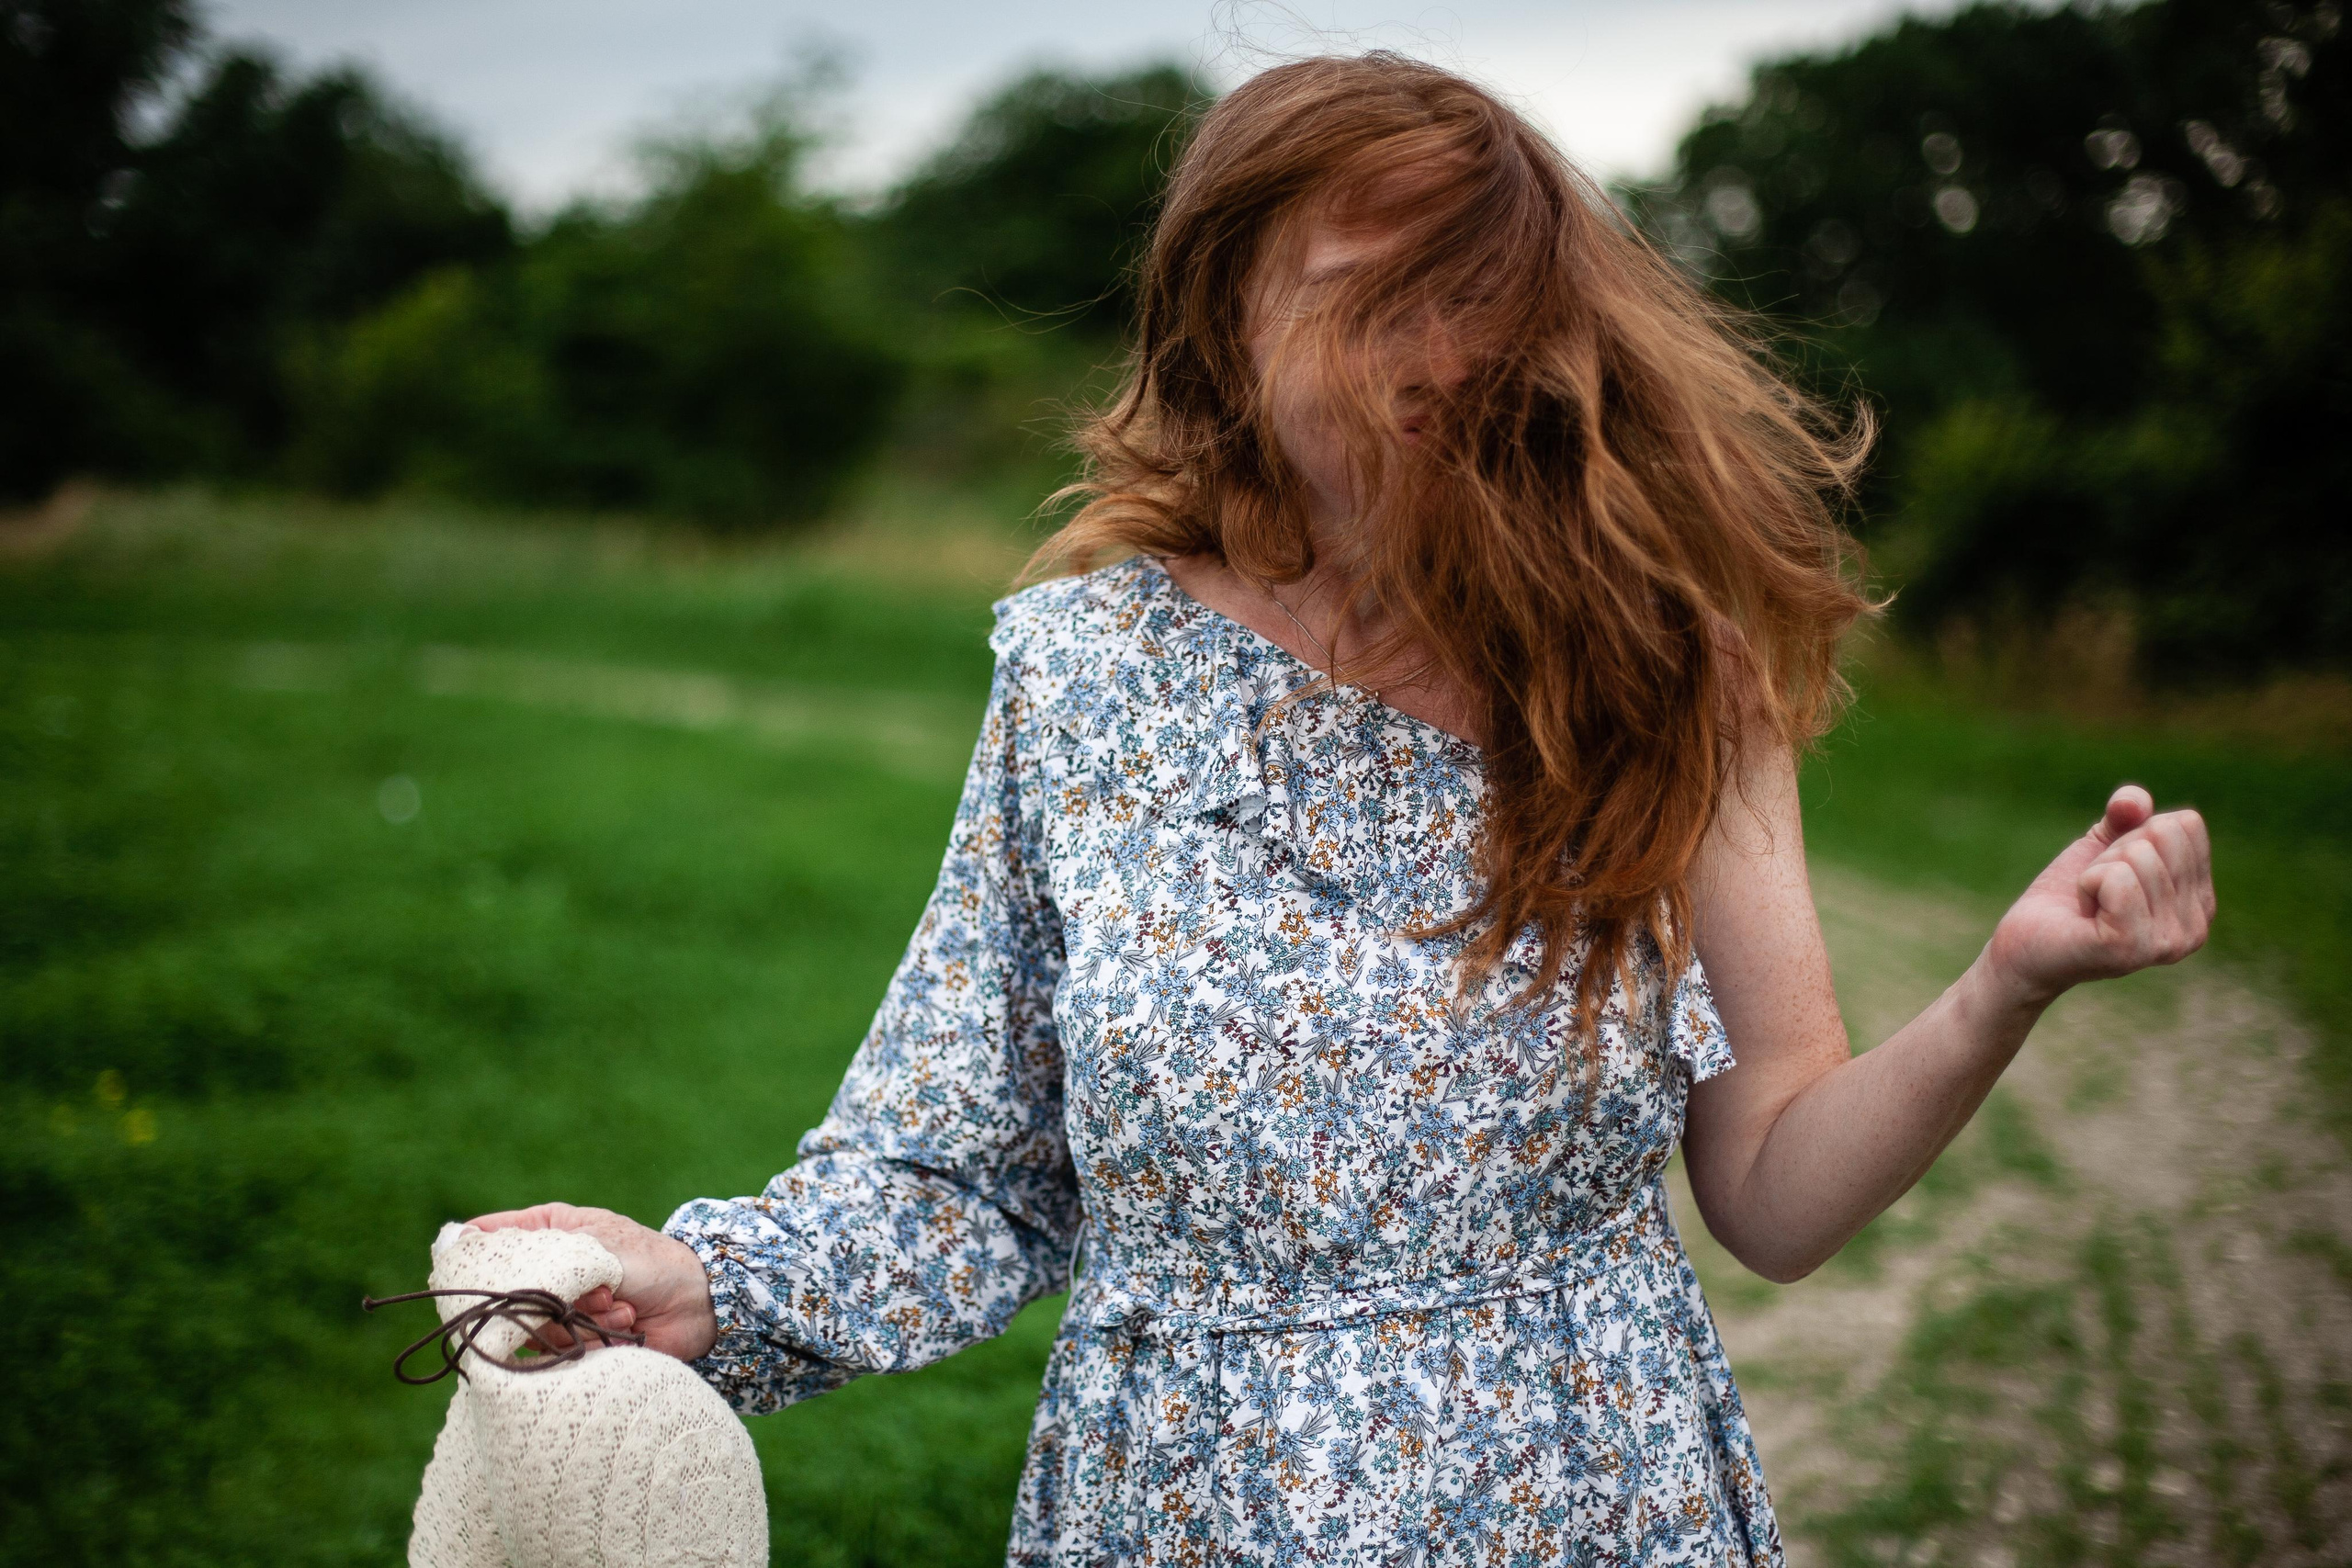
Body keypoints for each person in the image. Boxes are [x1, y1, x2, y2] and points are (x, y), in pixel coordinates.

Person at [472, 54, 2214, 1566]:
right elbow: (965, 1171)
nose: (1449, 354)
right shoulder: (1086, 680)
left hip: (1591, 1498)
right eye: (1378, 295)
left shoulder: (1665, 676)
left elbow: (1773, 1195)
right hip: (1189, 1504)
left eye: (1485, 296)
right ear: (1225, 322)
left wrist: (2008, 982)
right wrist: (716, 1288)